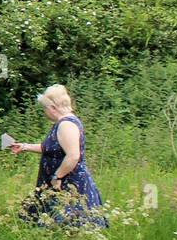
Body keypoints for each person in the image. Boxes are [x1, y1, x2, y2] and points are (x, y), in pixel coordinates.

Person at [8, 84, 107, 228]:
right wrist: (24, 146)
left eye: (45, 108)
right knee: (49, 226)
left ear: (53, 108)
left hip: (69, 186)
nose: (44, 112)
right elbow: (50, 148)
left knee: (71, 227)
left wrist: (57, 177)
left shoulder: (66, 125)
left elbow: (73, 156)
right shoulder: (62, 123)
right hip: (56, 185)